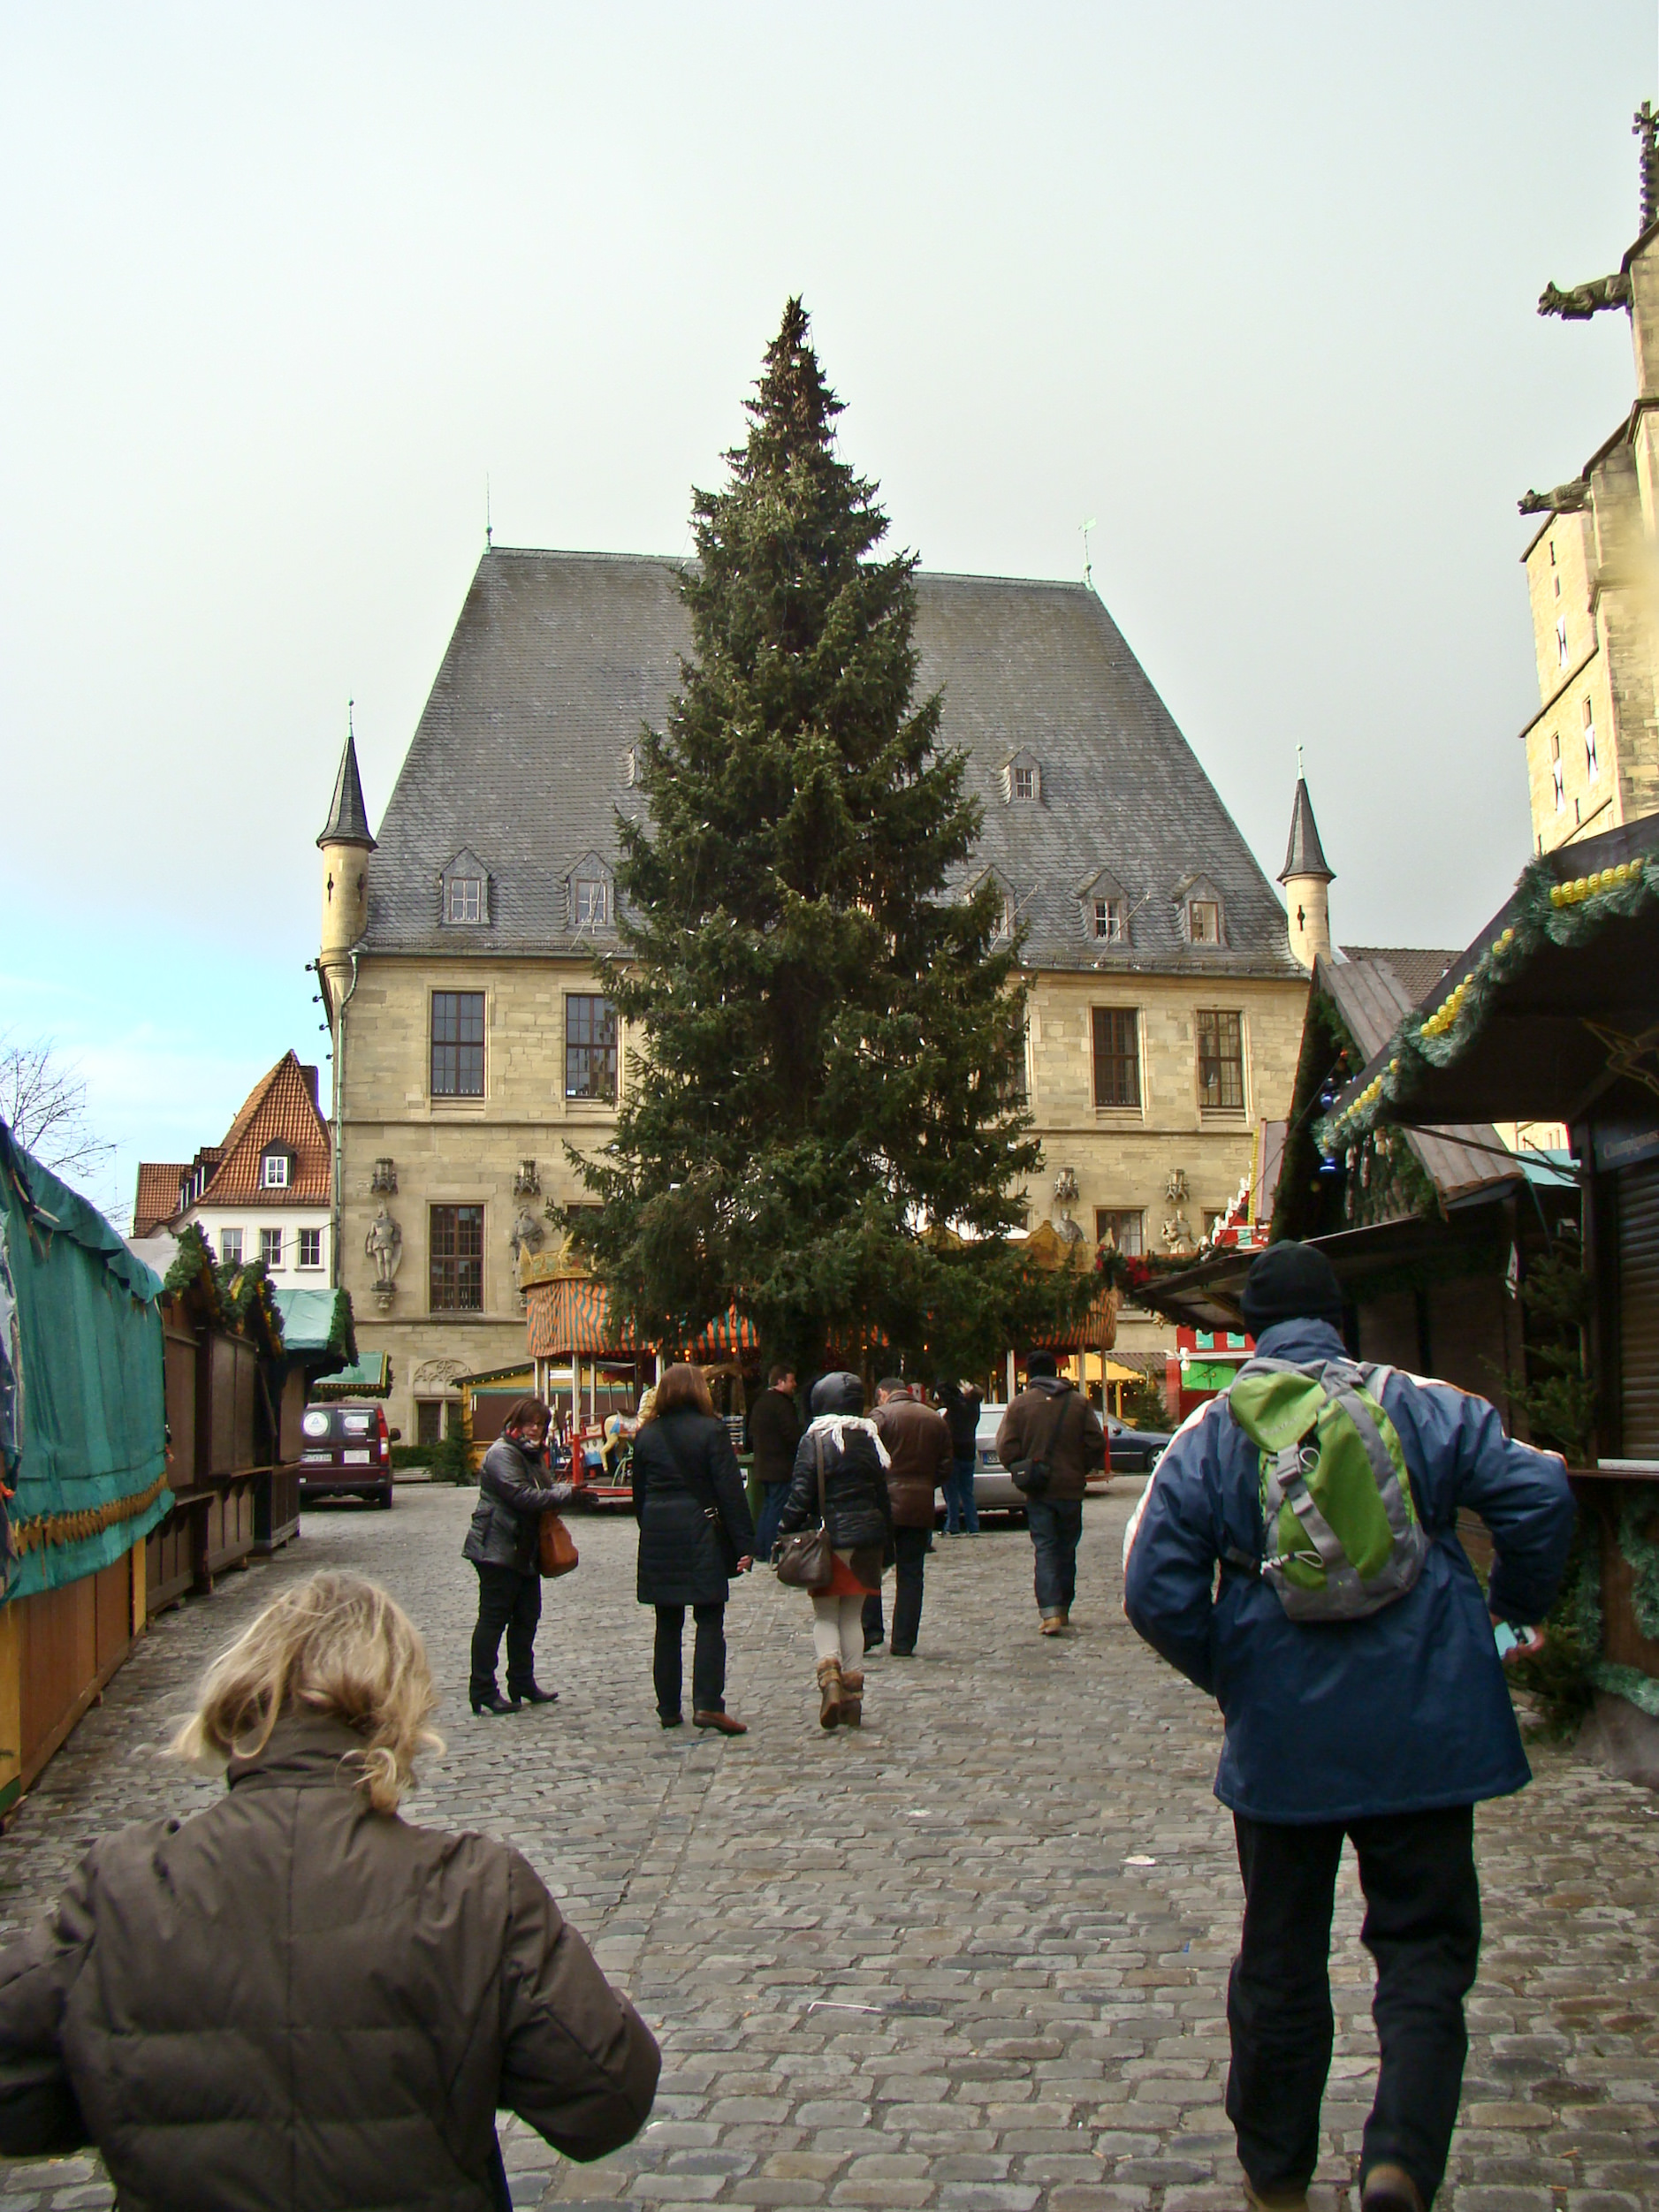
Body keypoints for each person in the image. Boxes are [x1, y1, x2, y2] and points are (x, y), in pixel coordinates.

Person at [1122, 1241, 1577, 2212]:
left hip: (1283, 1737)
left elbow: (1152, 1588)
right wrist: (1506, 1614)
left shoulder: (1212, 1432)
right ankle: (1398, 2158)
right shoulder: (1424, 1404)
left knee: (1279, 1953)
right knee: (1423, 1948)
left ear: (1249, 1329)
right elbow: (1539, 1492)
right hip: (1427, 1723)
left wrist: (1229, 1673)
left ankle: (1276, 2171)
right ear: (1339, 1317)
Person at [0, 1571, 660, 2208]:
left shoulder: (123, 1889)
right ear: (398, 1709)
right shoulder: (473, 1891)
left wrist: (131, 2092)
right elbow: (607, 2096)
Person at [632, 1362, 756, 1734]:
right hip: (702, 1530)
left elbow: (639, 1493)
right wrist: (744, 1542)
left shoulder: (647, 1435)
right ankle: (708, 1704)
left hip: (659, 1531)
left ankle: (668, 1707)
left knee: (667, 1624)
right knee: (709, 1618)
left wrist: (651, 1526)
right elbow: (730, 1491)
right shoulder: (711, 1431)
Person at [774, 1371, 894, 1729]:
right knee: (853, 1617)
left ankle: (830, 1681)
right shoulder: (870, 1437)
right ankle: (854, 1696)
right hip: (868, 1539)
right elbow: (882, 1495)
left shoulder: (816, 1438)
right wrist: (887, 1542)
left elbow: (801, 1494)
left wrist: (784, 1530)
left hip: (832, 1539)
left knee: (826, 1615)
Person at [462, 1396, 575, 1715]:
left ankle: (522, 1682)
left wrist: (560, 1496)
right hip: (497, 1547)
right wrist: (566, 1494)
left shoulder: (531, 1454)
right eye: (530, 1423)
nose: (536, 1429)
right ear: (516, 1423)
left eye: (541, 1424)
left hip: (524, 1548)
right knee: (493, 1619)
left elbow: (540, 1493)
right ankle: (483, 1688)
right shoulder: (502, 1453)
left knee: (527, 1617)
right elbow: (522, 1495)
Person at [995, 1349, 1106, 1634]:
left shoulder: (1020, 1405)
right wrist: (1078, 1466)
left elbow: (1006, 1448)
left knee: (1045, 1547)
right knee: (1066, 1548)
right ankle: (1064, 1607)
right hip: (1070, 1488)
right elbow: (1096, 1442)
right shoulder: (1078, 1402)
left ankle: (1050, 1611)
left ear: (1029, 1374)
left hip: (1039, 1490)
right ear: (1056, 1372)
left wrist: (1023, 1468)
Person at [861, 1380, 953, 1656]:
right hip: (919, 1504)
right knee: (911, 1573)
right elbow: (945, 1465)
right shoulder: (933, 1419)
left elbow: (865, 1460)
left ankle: (870, 1629)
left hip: (883, 1503)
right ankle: (904, 1640)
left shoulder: (880, 1417)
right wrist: (925, 1484)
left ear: (883, 1394)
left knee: (871, 1568)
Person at [749, 1363, 802, 1564]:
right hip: (780, 1466)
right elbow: (792, 1435)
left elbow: (751, 1433)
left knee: (768, 1506)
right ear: (780, 1382)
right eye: (791, 1380)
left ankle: (760, 1547)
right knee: (777, 1508)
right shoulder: (782, 1405)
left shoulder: (761, 1403)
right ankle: (771, 1548)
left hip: (764, 1465)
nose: (794, 1384)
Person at [937, 1377, 983, 1535]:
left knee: (951, 1493)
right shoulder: (974, 1409)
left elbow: (944, 1391)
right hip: (968, 1454)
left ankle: (952, 1526)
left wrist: (948, 1377)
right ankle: (973, 1526)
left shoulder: (958, 1407)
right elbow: (955, 1397)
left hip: (954, 1452)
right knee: (967, 1492)